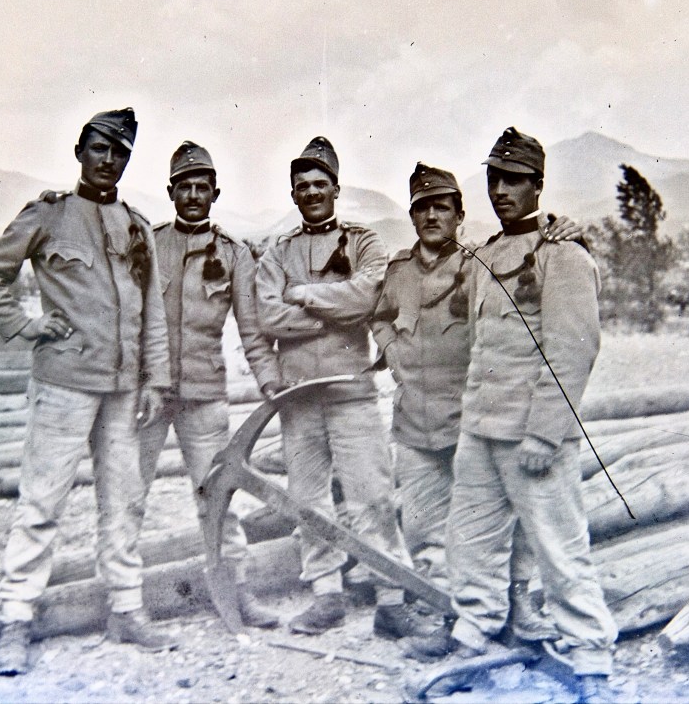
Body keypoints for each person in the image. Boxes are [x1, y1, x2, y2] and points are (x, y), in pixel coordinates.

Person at [0, 108, 178, 676]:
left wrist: (156, 379)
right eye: (99, 149)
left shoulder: (136, 226)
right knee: (42, 503)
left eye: (120, 153)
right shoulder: (48, 215)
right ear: (80, 152)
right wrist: (24, 324)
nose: (109, 161)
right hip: (63, 383)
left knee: (123, 502)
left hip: (122, 390)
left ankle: (126, 610)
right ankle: (17, 620)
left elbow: (152, 310)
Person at [372, 162, 583, 653]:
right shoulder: (398, 271)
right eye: (421, 208)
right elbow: (380, 316)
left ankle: (519, 602)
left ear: (459, 214)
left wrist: (569, 230)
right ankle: (447, 612)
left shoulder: (484, 264)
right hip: (415, 424)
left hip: (472, 421)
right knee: (427, 528)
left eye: (440, 207)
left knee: (503, 520)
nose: (430, 216)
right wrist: (390, 350)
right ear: (411, 215)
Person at [438, 128, 617, 699]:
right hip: (482, 429)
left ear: (538, 185)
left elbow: (573, 349)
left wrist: (545, 433)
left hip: (532, 437)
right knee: (471, 542)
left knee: (561, 549)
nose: (500, 190)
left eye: (513, 180)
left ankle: (590, 659)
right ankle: (476, 635)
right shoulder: (485, 255)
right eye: (493, 179)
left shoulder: (562, 254)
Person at [255, 137, 418, 638]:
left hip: (351, 392)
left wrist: (303, 295)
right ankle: (326, 594)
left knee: (371, 495)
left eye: (319, 184)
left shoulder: (364, 242)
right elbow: (267, 315)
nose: (311, 193)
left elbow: (367, 296)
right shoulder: (277, 251)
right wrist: (334, 313)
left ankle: (392, 597)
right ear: (293, 193)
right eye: (301, 186)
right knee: (309, 500)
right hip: (299, 395)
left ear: (336, 188)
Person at [138, 141, 283, 629]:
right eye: (185, 187)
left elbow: (252, 330)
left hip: (205, 397)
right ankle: (124, 604)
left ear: (215, 193)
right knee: (128, 498)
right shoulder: (149, 246)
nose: (194, 195)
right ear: (171, 191)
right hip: (148, 395)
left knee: (217, 501)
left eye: (203, 187)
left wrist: (269, 382)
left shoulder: (234, 254)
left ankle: (237, 594)